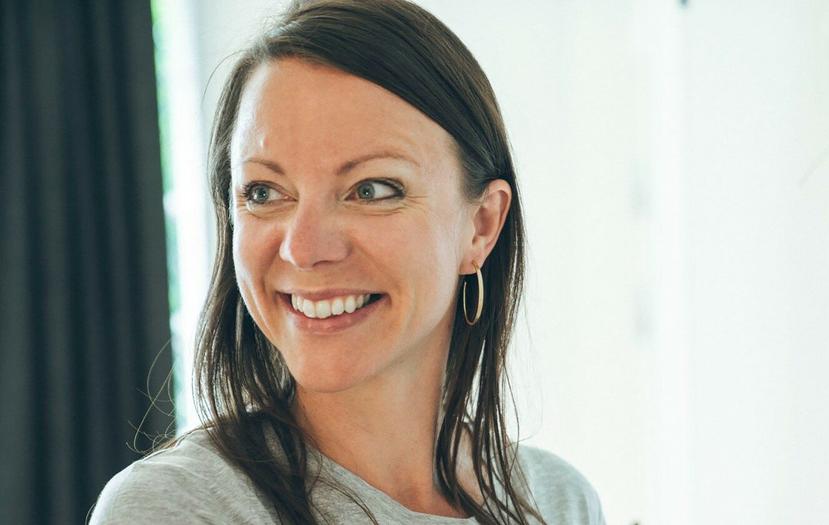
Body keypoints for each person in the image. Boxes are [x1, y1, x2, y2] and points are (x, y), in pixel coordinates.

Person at [88, 1, 606, 523]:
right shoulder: (175, 508)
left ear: (481, 226)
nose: (304, 248)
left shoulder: (559, 501)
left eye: (372, 189)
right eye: (264, 192)